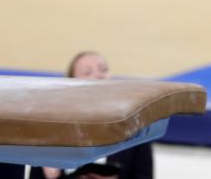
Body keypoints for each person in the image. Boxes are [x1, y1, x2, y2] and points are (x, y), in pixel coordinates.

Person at [29, 51, 153, 179]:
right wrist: (52, 176)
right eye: (87, 72)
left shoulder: (136, 129)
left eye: (104, 70)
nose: (99, 75)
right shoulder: (52, 131)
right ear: (71, 84)